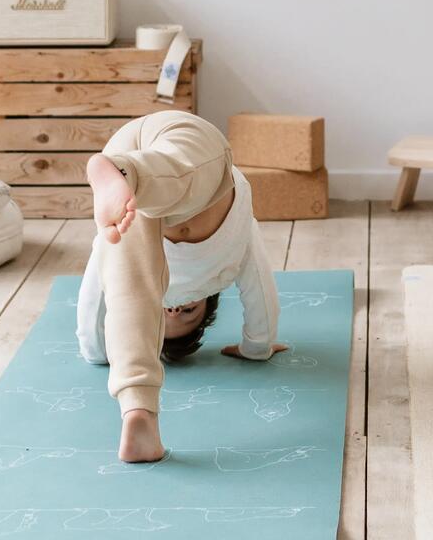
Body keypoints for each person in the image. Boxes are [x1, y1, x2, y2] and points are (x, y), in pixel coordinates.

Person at [76, 110, 286, 463]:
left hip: (133, 163)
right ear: (208, 302)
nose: (173, 307)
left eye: (166, 312)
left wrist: (97, 350)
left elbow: (101, 300)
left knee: (128, 291)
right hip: (178, 153)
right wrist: (257, 346)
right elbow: (259, 289)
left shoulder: (149, 283)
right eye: (186, 311)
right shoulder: (226, 266)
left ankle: (137, 409)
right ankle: (127, 173)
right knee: (188, 178)